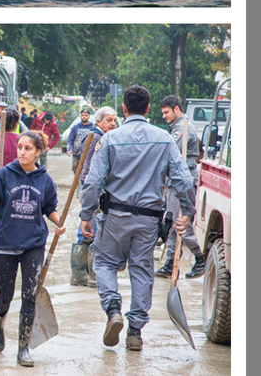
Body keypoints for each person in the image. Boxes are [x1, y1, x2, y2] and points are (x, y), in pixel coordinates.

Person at [78, 85, 196, 351]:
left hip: (115, 217)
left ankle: (112, 310)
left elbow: (93, 182)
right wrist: (188, 211)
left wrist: (86, 214)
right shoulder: (164, 139)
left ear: (123, 109)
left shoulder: (110, 139)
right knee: (142, 272)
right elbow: (184, 179)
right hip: (148, 221)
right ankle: (134, 331)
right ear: (148, 108)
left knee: (106, 263)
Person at [0, 130, 65, 367]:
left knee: (29, 296)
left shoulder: (45, 180)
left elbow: (49, 208)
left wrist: (59, 222)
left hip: (34, 242)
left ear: (38, 151)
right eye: (20, 147)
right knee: (4, 297)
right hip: (4, 243)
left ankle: (23, 348)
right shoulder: (4, 174)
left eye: (28, 148)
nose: (22, 152)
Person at [156, 96, 207, 279]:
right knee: (170, 221)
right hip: (174, 181)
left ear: (176, 109)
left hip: (182, 181)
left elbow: (168, 153)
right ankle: (171, 262)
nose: (164, 116)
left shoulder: (183, 128)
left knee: (181, 222)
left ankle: (199, 257)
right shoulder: (177, 127)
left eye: (166, 112)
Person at [70, 106, 118, 287]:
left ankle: (79, 275)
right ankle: (93, 276)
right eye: (108, 120)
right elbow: (92, 169)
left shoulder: (95, 136)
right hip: (94, 187)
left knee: (85, 229)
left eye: (114, 120)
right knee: (96, 229)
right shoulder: (97, 138)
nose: (112, 124)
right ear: (98, 121)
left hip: (89, 185)